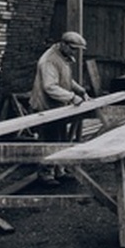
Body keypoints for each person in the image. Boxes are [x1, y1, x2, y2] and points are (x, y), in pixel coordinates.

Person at [30, 31, 90, 185]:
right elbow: (50, 87)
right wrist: (71, 97)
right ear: (63, 44)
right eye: (73, 48)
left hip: (57, 107)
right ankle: (45, 174)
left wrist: (80, 90)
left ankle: (59, 170)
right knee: (49, 140)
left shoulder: (62, 57)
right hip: (45, 108)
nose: (74, 52)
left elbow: (66, 78)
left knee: (60, 138)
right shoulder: (49, 60)